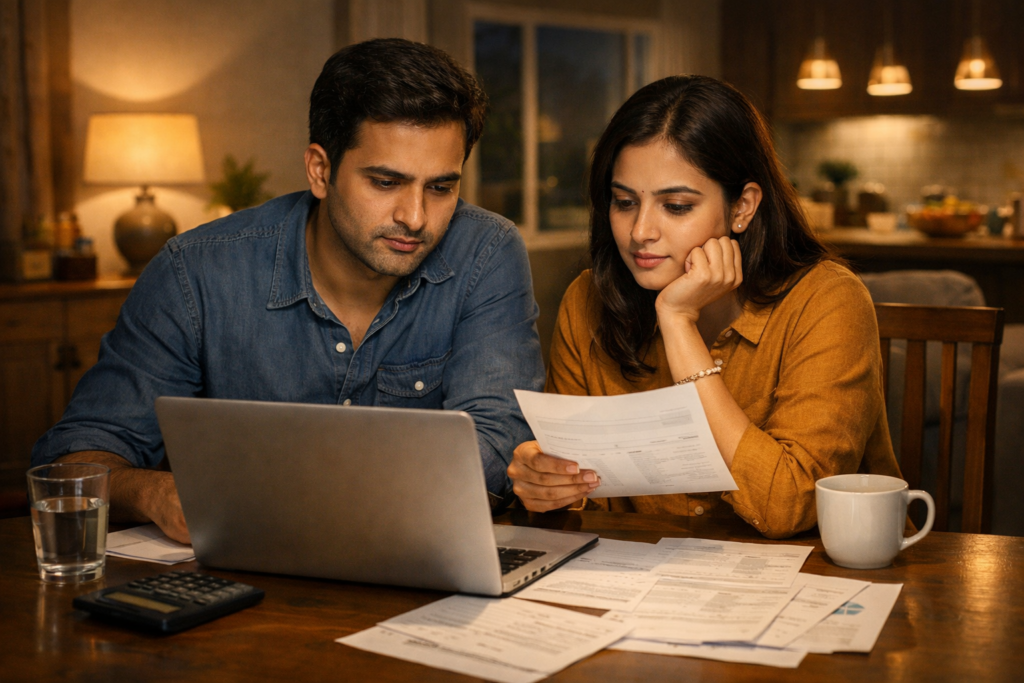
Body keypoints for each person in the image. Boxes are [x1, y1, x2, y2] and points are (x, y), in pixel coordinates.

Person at [32, 38, 545, 543]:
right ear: (320, 171)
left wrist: (305, 495)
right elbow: (74, 460)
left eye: (440, 187)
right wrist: (152, 493)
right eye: (385, 182)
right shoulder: (196, 272)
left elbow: (498, 439)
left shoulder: (486, 252)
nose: (415, 218)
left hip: (420, 569)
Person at [507, 75, 903, 540]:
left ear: (743, 208)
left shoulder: (828, 301)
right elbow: (582, 498)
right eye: (623, 202)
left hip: (815, 583)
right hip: (642, 587)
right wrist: (545, 482)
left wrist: (678, 324)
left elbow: (788, 507)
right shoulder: (587, 299)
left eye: (675, 206)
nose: (640, 232)